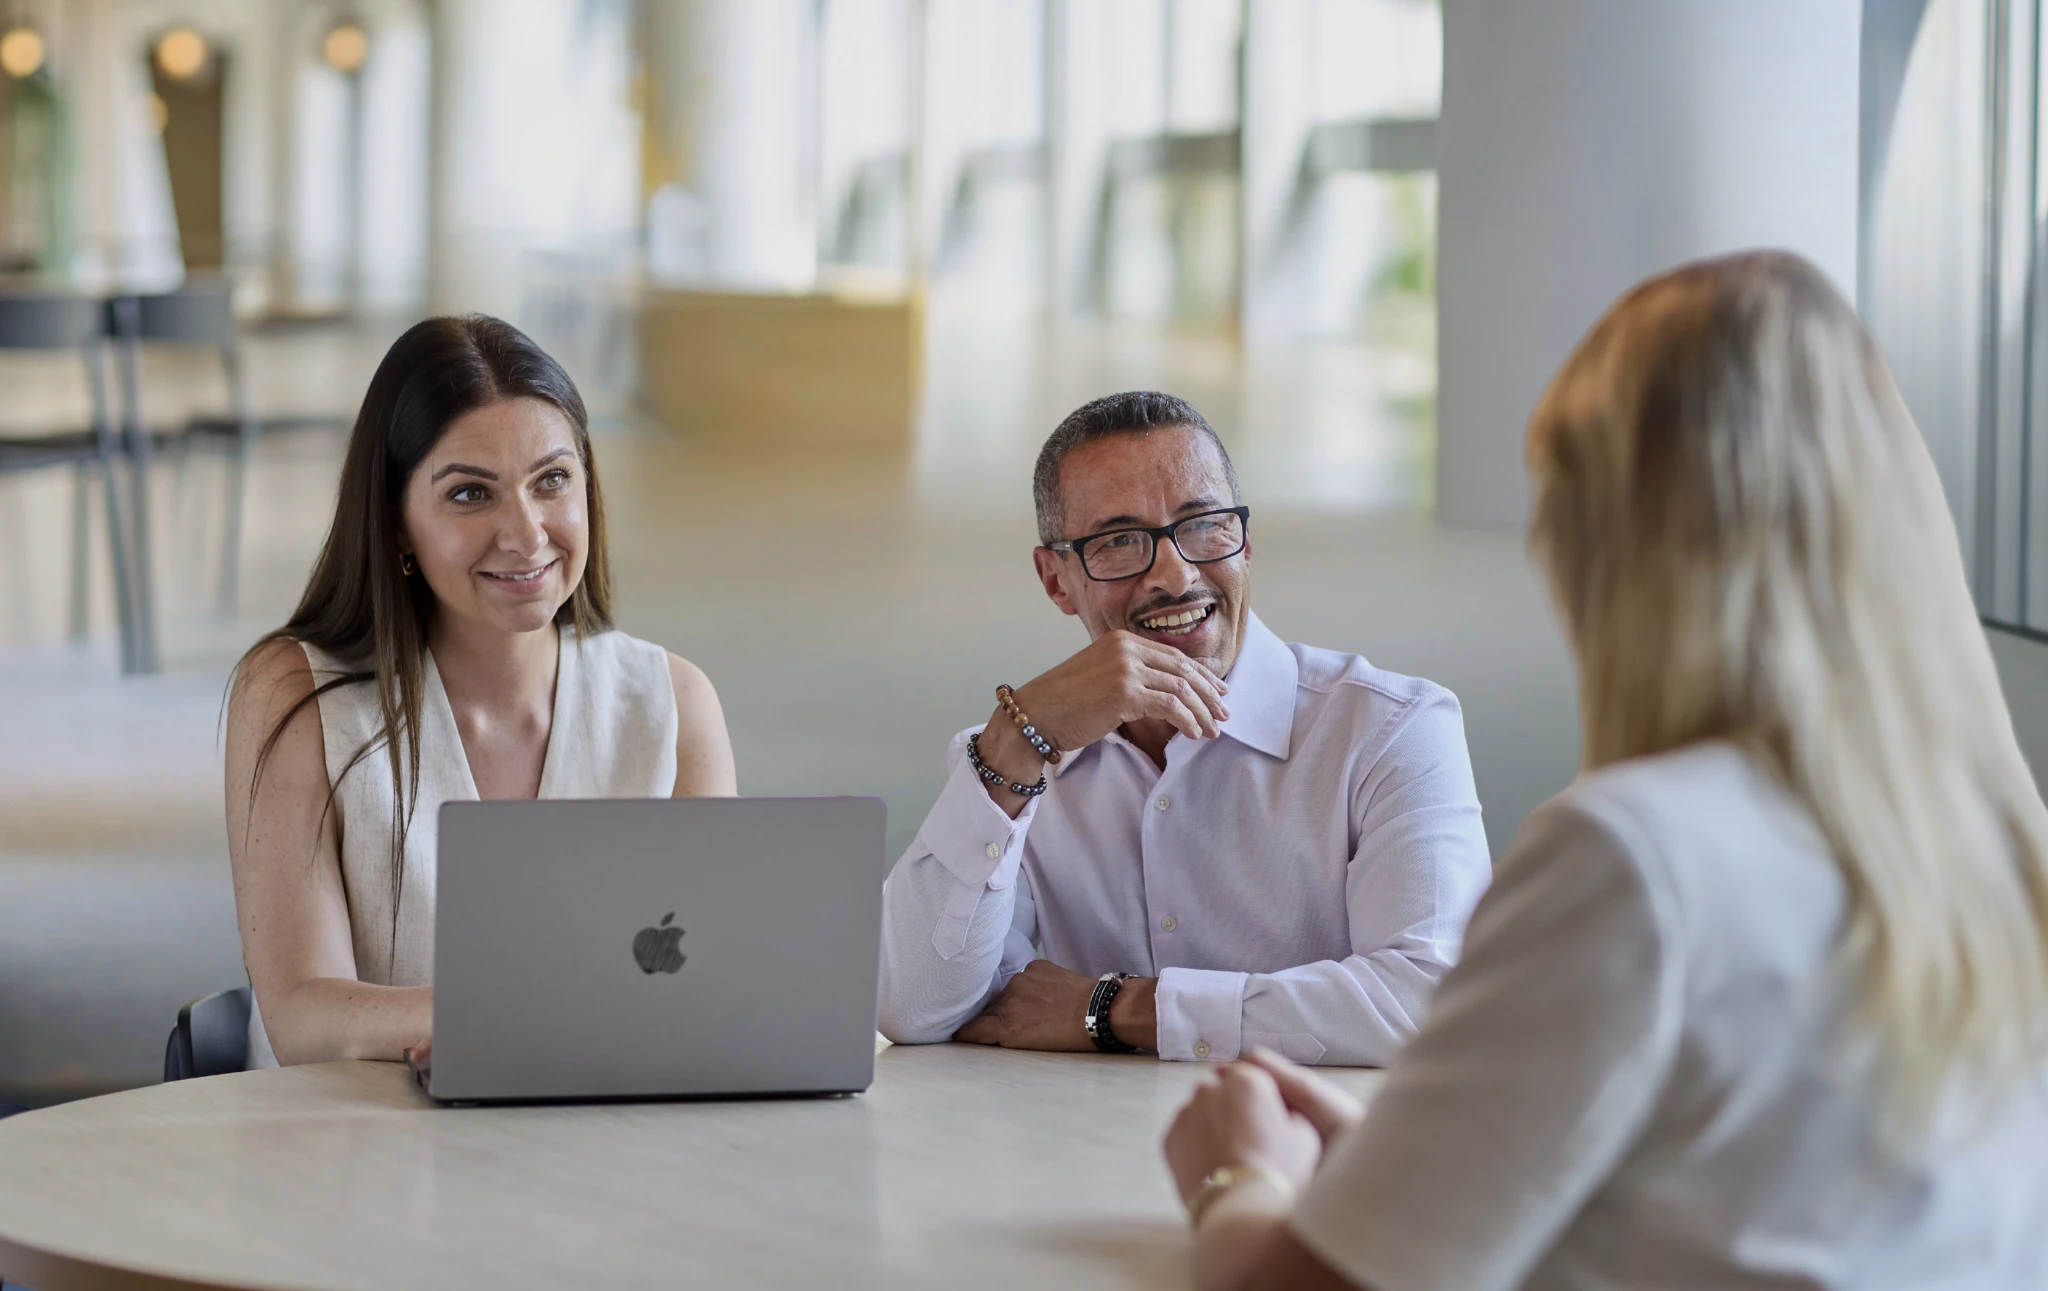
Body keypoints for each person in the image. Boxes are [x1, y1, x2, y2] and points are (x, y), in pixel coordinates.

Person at [1161, 251, 2048, 1289]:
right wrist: (1409, 1172)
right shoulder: (1995, 845)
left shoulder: (1631, 854)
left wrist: (1235, 1179)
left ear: (1616, 551)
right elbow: (1748, 1207)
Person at [877, 391, 1492, 1065]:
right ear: (1057, 580)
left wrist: (1117, 1008)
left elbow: (1434, 1002)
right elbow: (916, 1003)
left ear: (1246, 541)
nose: (1174, 574)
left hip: (1327, 1164)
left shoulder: (1392, 730)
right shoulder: (1019, 764)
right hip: (1089, 1159)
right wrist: (1014, 742)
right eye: (1118, 542)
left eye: (1204, 526)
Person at [225, 315, 736, 1069]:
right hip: (352, 1152)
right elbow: (302, 1013)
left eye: (552, 481)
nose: (527, 535)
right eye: (471, 494)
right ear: (397, 523)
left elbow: (718, 985)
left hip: (603, 1149)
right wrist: (523, 1011)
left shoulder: (672, 705)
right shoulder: (294, 696)